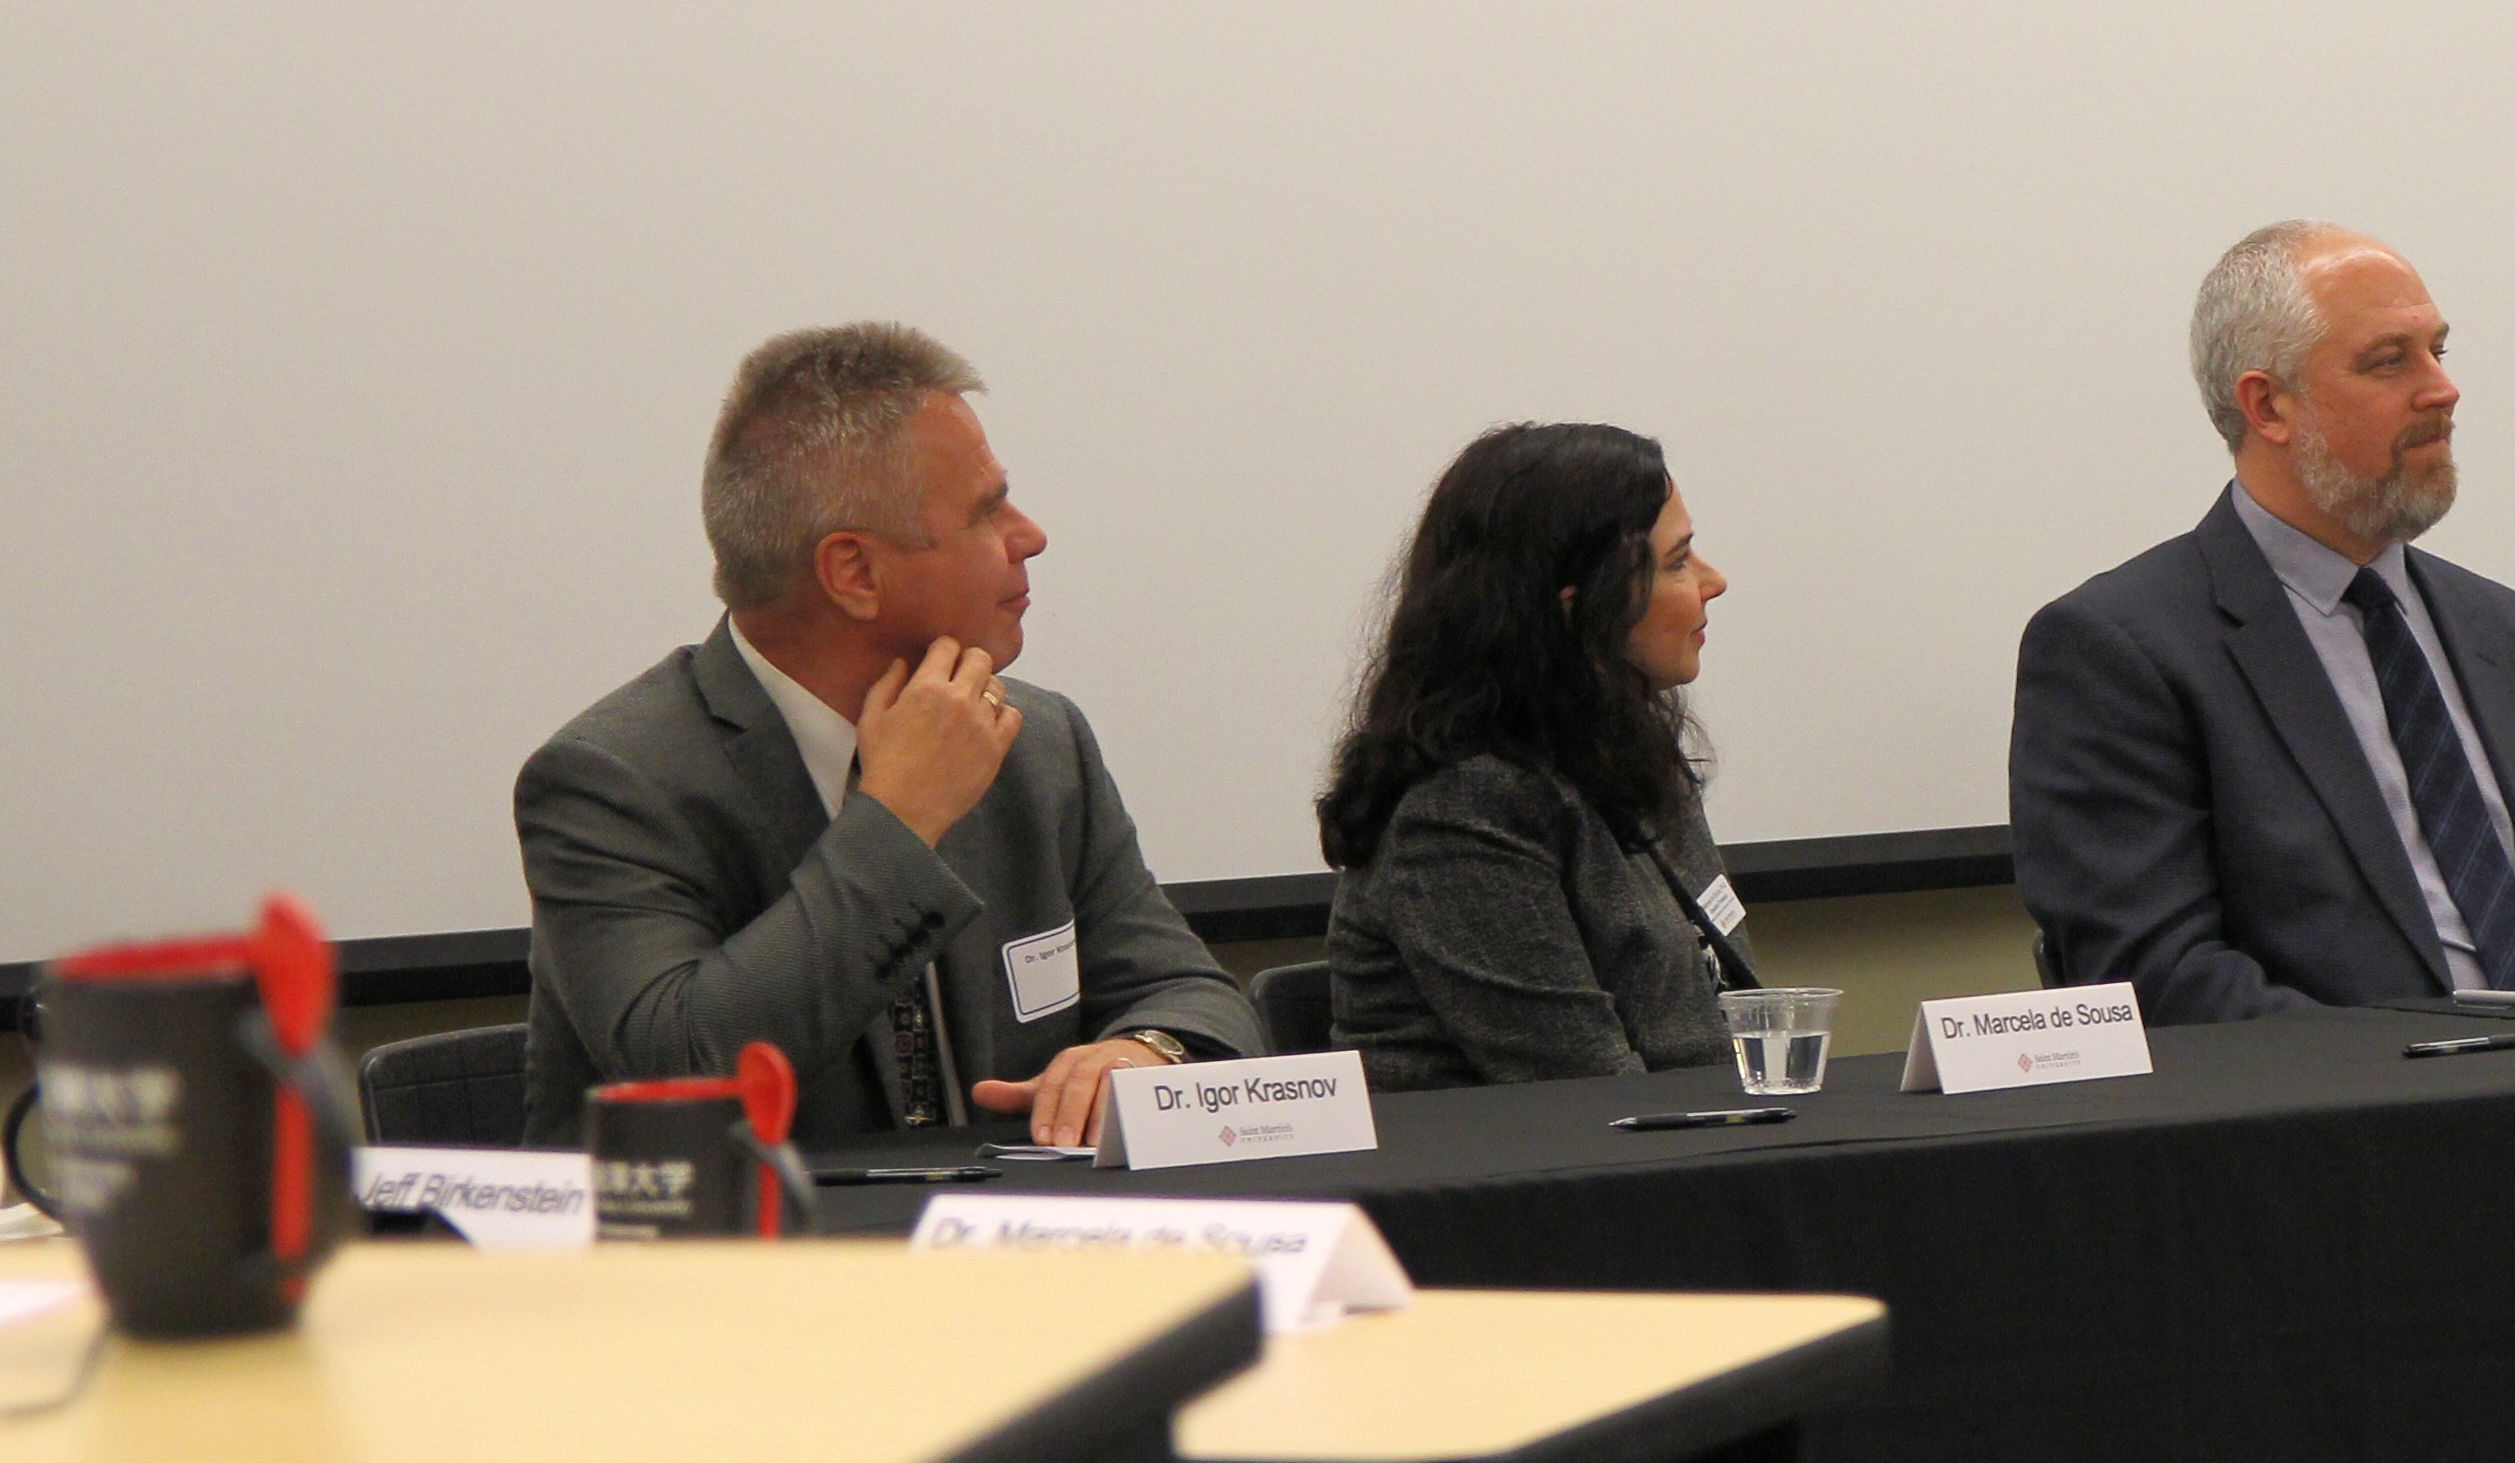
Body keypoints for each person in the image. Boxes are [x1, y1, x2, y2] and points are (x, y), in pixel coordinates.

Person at [515, 324, 1257, 1145]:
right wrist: (899, 819)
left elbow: (1193, 996)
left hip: (1009, 1222)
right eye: (986, 511)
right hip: (753, 1226)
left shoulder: (1038, 742)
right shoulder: (612, 780)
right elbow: (689, 1066)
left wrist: (1145, 1050)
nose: (1029, 536)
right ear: (856, 573)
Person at [2010, 221, 2515, 1022]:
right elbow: (2161, 977)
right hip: (2360, 1090)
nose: (2442, 390)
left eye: (2438, 351)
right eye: (2389, 361)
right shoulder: (2122, 650)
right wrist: (2439, 1070)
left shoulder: (2514, 636)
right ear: (2267, 406)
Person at [1317, 422, 1751, 1089]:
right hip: (1529, 1153)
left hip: (1692, 1133)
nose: (1714, 581)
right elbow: (1583, 1092)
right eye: (1676, 562)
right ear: (1578, 607)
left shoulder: (1628, 755)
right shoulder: (1463, 809)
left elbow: (1726, 1020)